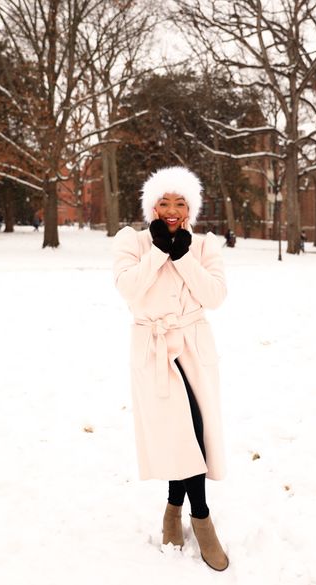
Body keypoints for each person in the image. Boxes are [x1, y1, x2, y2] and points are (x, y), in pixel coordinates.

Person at [112, 166, 229, 571]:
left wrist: (182, 257)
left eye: (181, 203)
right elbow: (128, 289)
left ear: (190, 208)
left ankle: (175, 508)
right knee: (178, 432)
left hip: (193, 348)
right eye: (165, 202)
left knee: (193, 431)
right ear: (152, 206)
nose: (172, 210)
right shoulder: (133, 243)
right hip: (154, 349)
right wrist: (160, 251)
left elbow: (215, 296)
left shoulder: (204, 247)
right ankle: (202, 517)